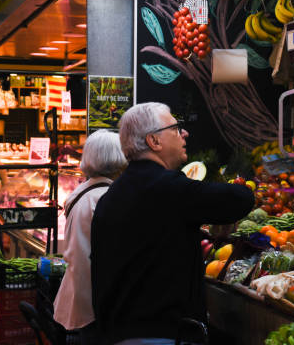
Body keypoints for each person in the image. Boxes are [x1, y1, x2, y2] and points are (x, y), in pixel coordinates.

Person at [90, 102, 255, 345]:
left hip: (118, 333)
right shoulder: (167, 188)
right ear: (154, 141)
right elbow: (239, 200)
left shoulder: (112, 195)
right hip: (161, 335)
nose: (184, 133)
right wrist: (247, 187)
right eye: (176, 129)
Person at [53, 130, 127, 345]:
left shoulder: (87, 193)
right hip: (94, 309)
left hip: (83, 300)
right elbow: (87, 259)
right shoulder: (102, 198)